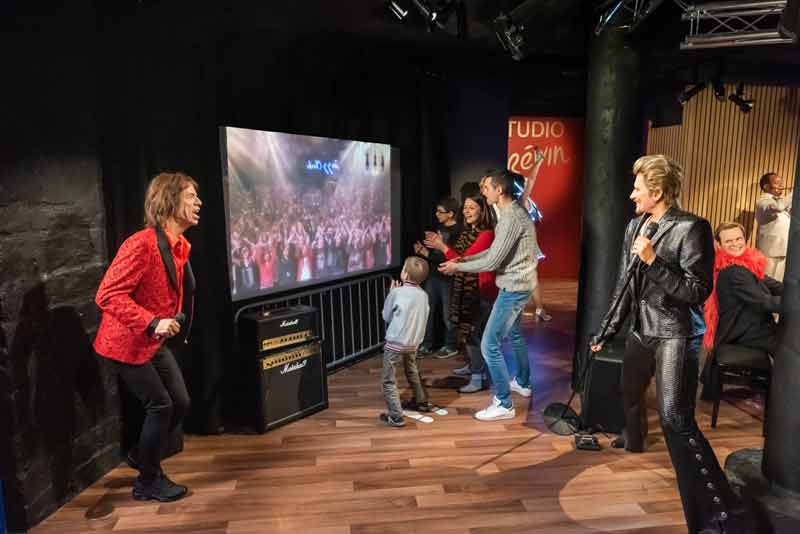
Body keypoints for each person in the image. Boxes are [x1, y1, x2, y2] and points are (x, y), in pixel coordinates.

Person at [590, 155, 757, 534]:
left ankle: (722, 512)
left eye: (638, 188)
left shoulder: (692, 227)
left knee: (676, 419)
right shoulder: (635, 225)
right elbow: (623, 285)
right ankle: (634, 439)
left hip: (675, 332)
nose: (631, 193)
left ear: (658, 192)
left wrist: (653, 261)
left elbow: (697, 290)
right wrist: (606, 330)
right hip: (640, 330)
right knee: (628, 390)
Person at [93, 171, 201, 502]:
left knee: (179, 402)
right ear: (169, 200)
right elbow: (107, 295)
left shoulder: (179, 245)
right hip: (125, 341)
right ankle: (147, 482)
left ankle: (143, 454)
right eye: (190, 196)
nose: (198, 202)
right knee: (161, 405)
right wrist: (153, 321)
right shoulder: (141, 244)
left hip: (151, 341)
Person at [440, 170, 538, 421]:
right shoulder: (507, 212)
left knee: (489, 344)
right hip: (518, 285)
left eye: (487, 188)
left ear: (500, 191)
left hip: (513, 288)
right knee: (514, 335)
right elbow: (493, 253)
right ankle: (523, 383)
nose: (483, 192)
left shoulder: (510, 218)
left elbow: (492, 259)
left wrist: (458, 265)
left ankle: (504, 403)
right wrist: (461, 261)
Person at [425, 193, 498, 393]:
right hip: (467, 290)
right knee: (468, 333)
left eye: (472, 208)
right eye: (465, 208)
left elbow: (465, 260)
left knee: (475, 333)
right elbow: (458, 257)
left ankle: (478, 377)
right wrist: (442, 249)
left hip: (481, 291)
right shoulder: (467, 232)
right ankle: (475, 367)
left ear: (482, 211)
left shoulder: (487, 234)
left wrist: (442, 246)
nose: (466, 211)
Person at [703, 222, 783, 353]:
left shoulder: (746, 266)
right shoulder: (733, 272)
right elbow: (763, 302)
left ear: (745, 239)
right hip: (743, 334)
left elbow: (774, 285)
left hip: (755, 329)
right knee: (792, 349)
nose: (735, 244)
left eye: (738, 239)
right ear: (719, 245)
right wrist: (793, 303)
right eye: (728, 241)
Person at [380, 256, 431, 427]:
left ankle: (395, 416)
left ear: (405, 274)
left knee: (388, 380)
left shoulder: (396, 292)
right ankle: (421, 401)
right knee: (412, 371)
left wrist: (391, 293)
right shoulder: (424, 295)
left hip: (395, 342)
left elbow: (386, 316)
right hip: (414, 342)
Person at [414, 197, 462, 359]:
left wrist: (436, 249)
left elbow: (454, 258)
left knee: (448, 314)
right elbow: (437, 256)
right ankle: (427, 344)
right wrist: (425, 252)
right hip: (433, 276)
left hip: (448, 279)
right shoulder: (439, 228)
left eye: (440, 212)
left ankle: (451, 345)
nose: (436, 214)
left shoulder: (458, 231)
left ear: (450, 214)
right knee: (428, 311)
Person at [755, 172, 792, 282]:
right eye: (777, 183)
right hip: (770, 253)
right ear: (766, 186)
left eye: (782, 183)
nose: (781, 186)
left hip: (782, 250)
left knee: (779, 286)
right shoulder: (763, 201)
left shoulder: (781, 201)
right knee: (768, 285)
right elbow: (779, 206)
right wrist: (794, 193)